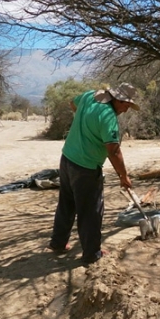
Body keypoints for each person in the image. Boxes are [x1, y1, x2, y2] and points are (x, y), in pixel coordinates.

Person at [48, 83, 138, 264]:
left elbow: (72, 103)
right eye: (126, 106)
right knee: (91, 211)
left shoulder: (91, 96)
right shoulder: (108, 117)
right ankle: (91, 253)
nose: (126, 110)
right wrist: (123, 176)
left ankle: (58, 243)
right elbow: (113, 151)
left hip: (67, 159)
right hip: (86, 168)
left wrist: (84, 119)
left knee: (66, 204)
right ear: (118, 100)